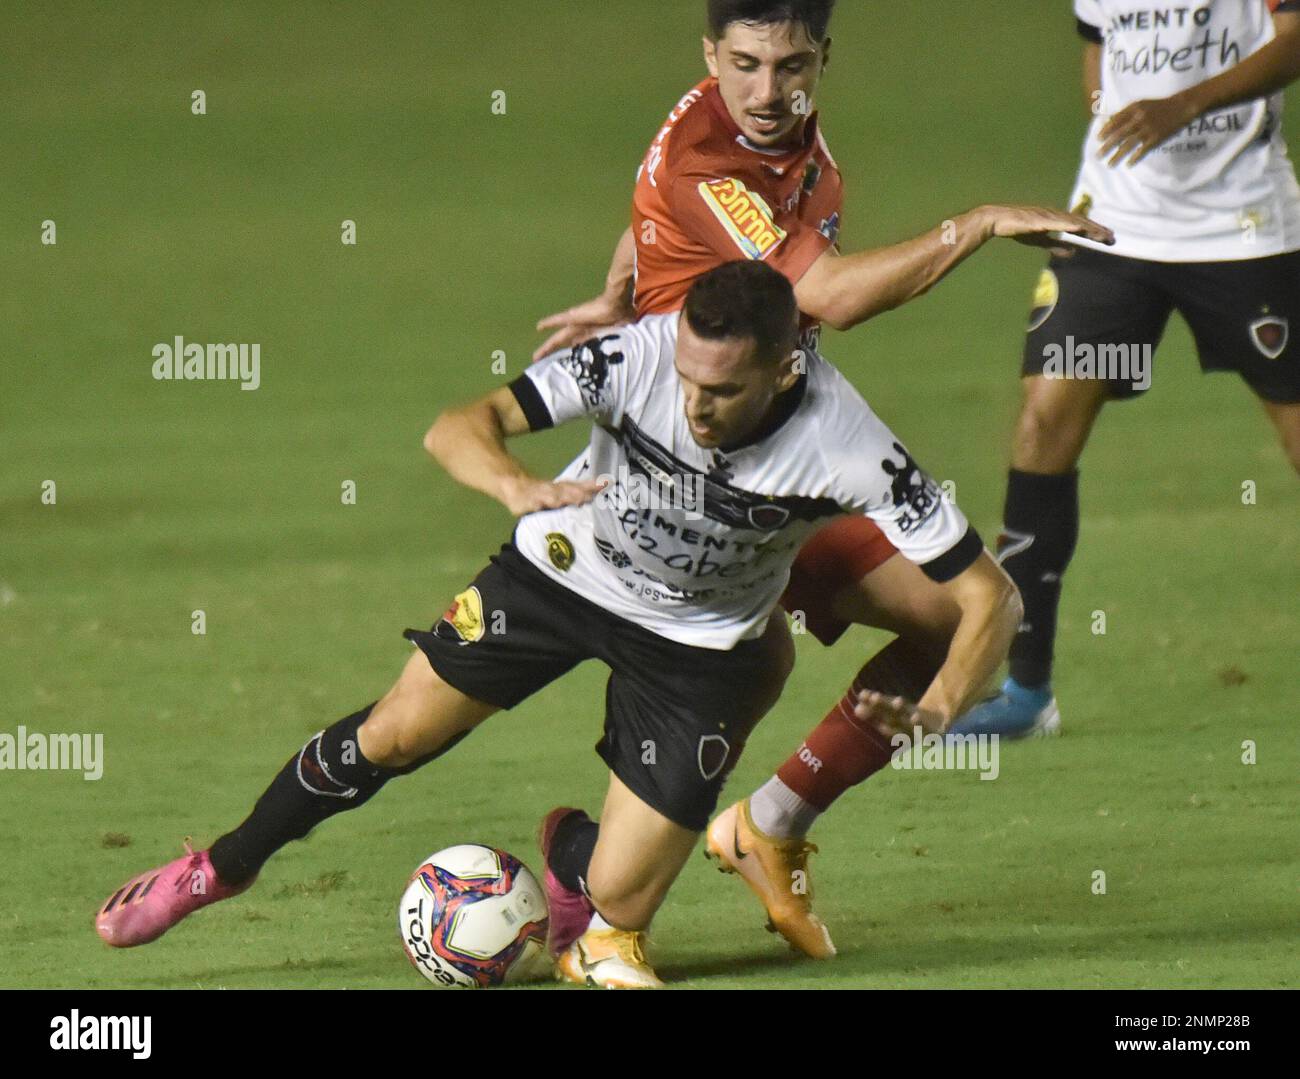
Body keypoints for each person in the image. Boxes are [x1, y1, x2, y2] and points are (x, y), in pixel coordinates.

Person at [94, 262, 1018, 988]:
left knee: (618, 901)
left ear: (785, 368)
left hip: (698, 646)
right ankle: (217, 869)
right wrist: (512, 482)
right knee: (394, 732)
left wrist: (937, 710)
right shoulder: (638, 357)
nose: (692, 405)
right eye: (687, 376)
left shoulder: (849, 444)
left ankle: (571, 852)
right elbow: (459, 424)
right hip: (563, 574)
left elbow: (987, 596)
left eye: (722, 392)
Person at [533, 0, 1113, 958]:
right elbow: (831, 296)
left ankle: (763, 825)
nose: (771, 90)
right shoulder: (710, 154)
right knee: (724, 686)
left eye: (793, 66)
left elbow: (660, 225)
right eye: (751, 66)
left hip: (783, 472)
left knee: (960, 620)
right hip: (698, 489)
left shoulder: (759, 127)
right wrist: (974, 225)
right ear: (714, 55)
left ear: (821, 58)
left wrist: (618, 292)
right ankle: (589, 877)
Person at [950, 0, 1300, 738]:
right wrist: (1113, 124)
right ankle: (1024, 689)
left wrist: (1185, 105)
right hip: (1118, 226)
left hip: (1245, 231)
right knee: (1044, 422)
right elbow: (1099, 45)